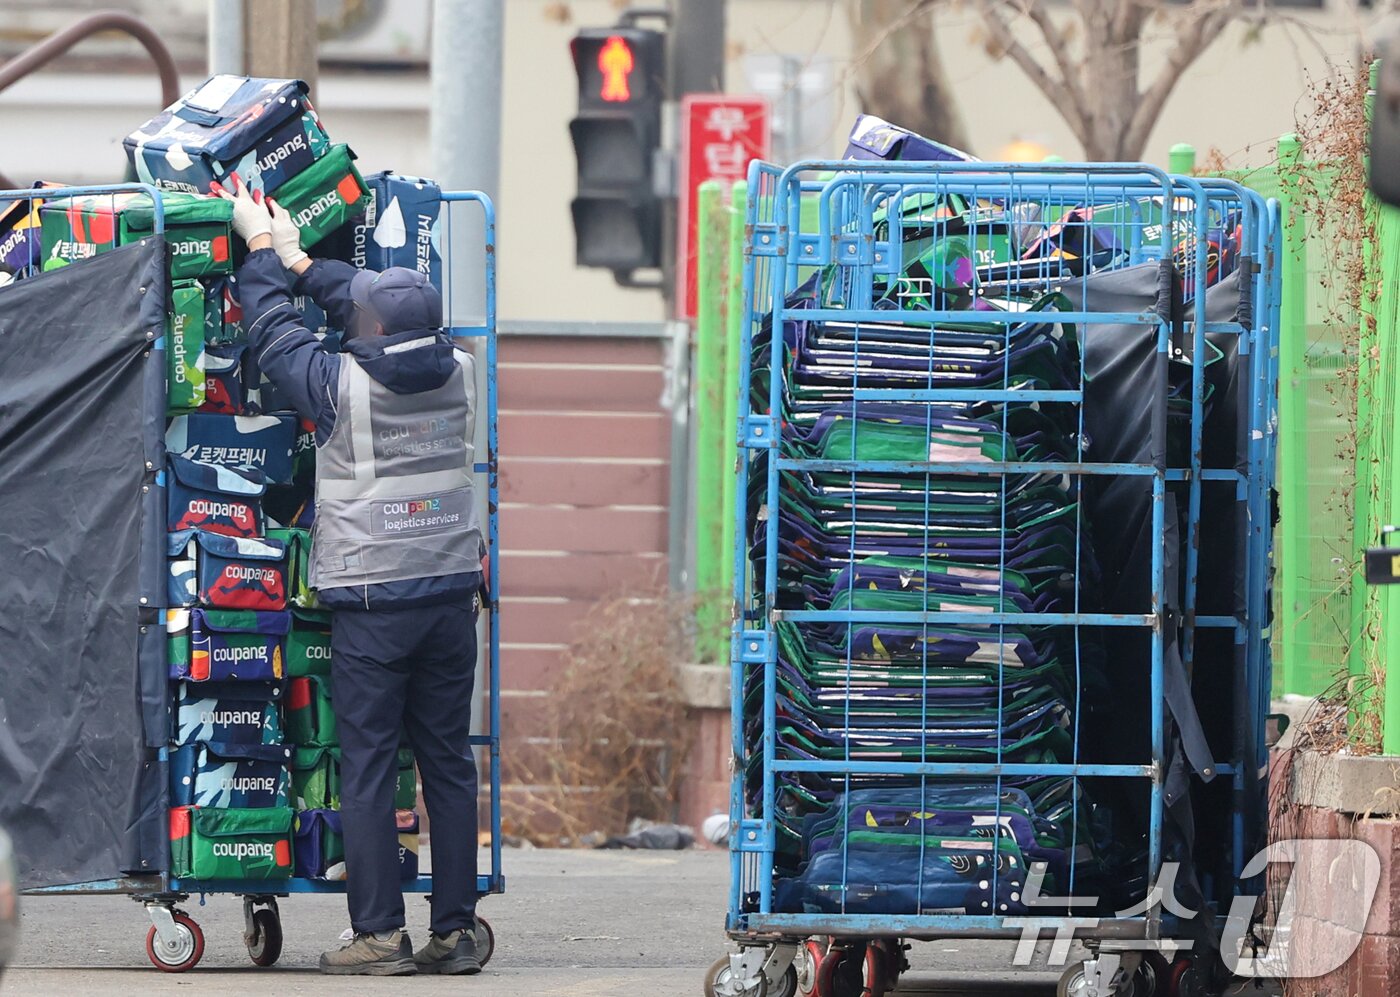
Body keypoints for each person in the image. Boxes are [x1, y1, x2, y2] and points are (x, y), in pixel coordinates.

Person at [217, 176, 488, 977]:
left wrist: (263, 253)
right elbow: (376, 316)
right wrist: (309, 266)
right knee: (447, 762)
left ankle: (378, 934)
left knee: (367, 764)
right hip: (447, 599)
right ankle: (457, 931)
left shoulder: (341, 389)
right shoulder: (465, 374)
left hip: (373, 602)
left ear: (367, 327)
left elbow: (271, 335)